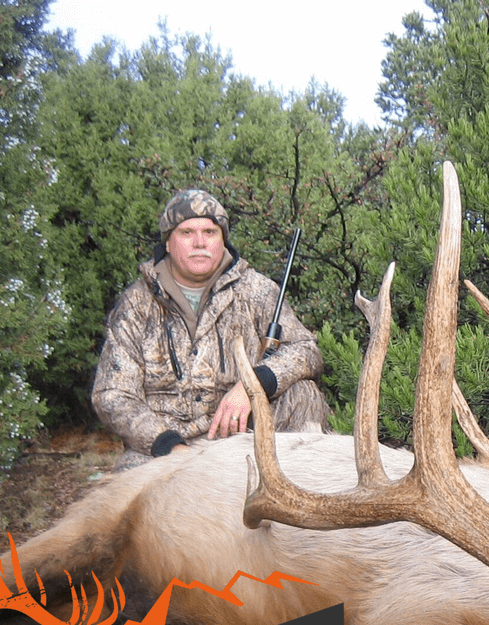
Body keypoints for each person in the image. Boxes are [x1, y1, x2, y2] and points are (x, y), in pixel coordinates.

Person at [92, 189, 329, 469]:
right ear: (168, 242)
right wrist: (168, 445)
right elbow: (112, 394)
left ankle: (298, 498)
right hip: (163, 451)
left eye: (210, 232)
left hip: (242, 437)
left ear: (222, 240)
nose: (200, 242)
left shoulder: (257, 290)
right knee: (129, 500)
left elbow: (306, 350)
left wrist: (254, 384)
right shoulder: (136, 302)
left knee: (303, 394)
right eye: (187, 232)